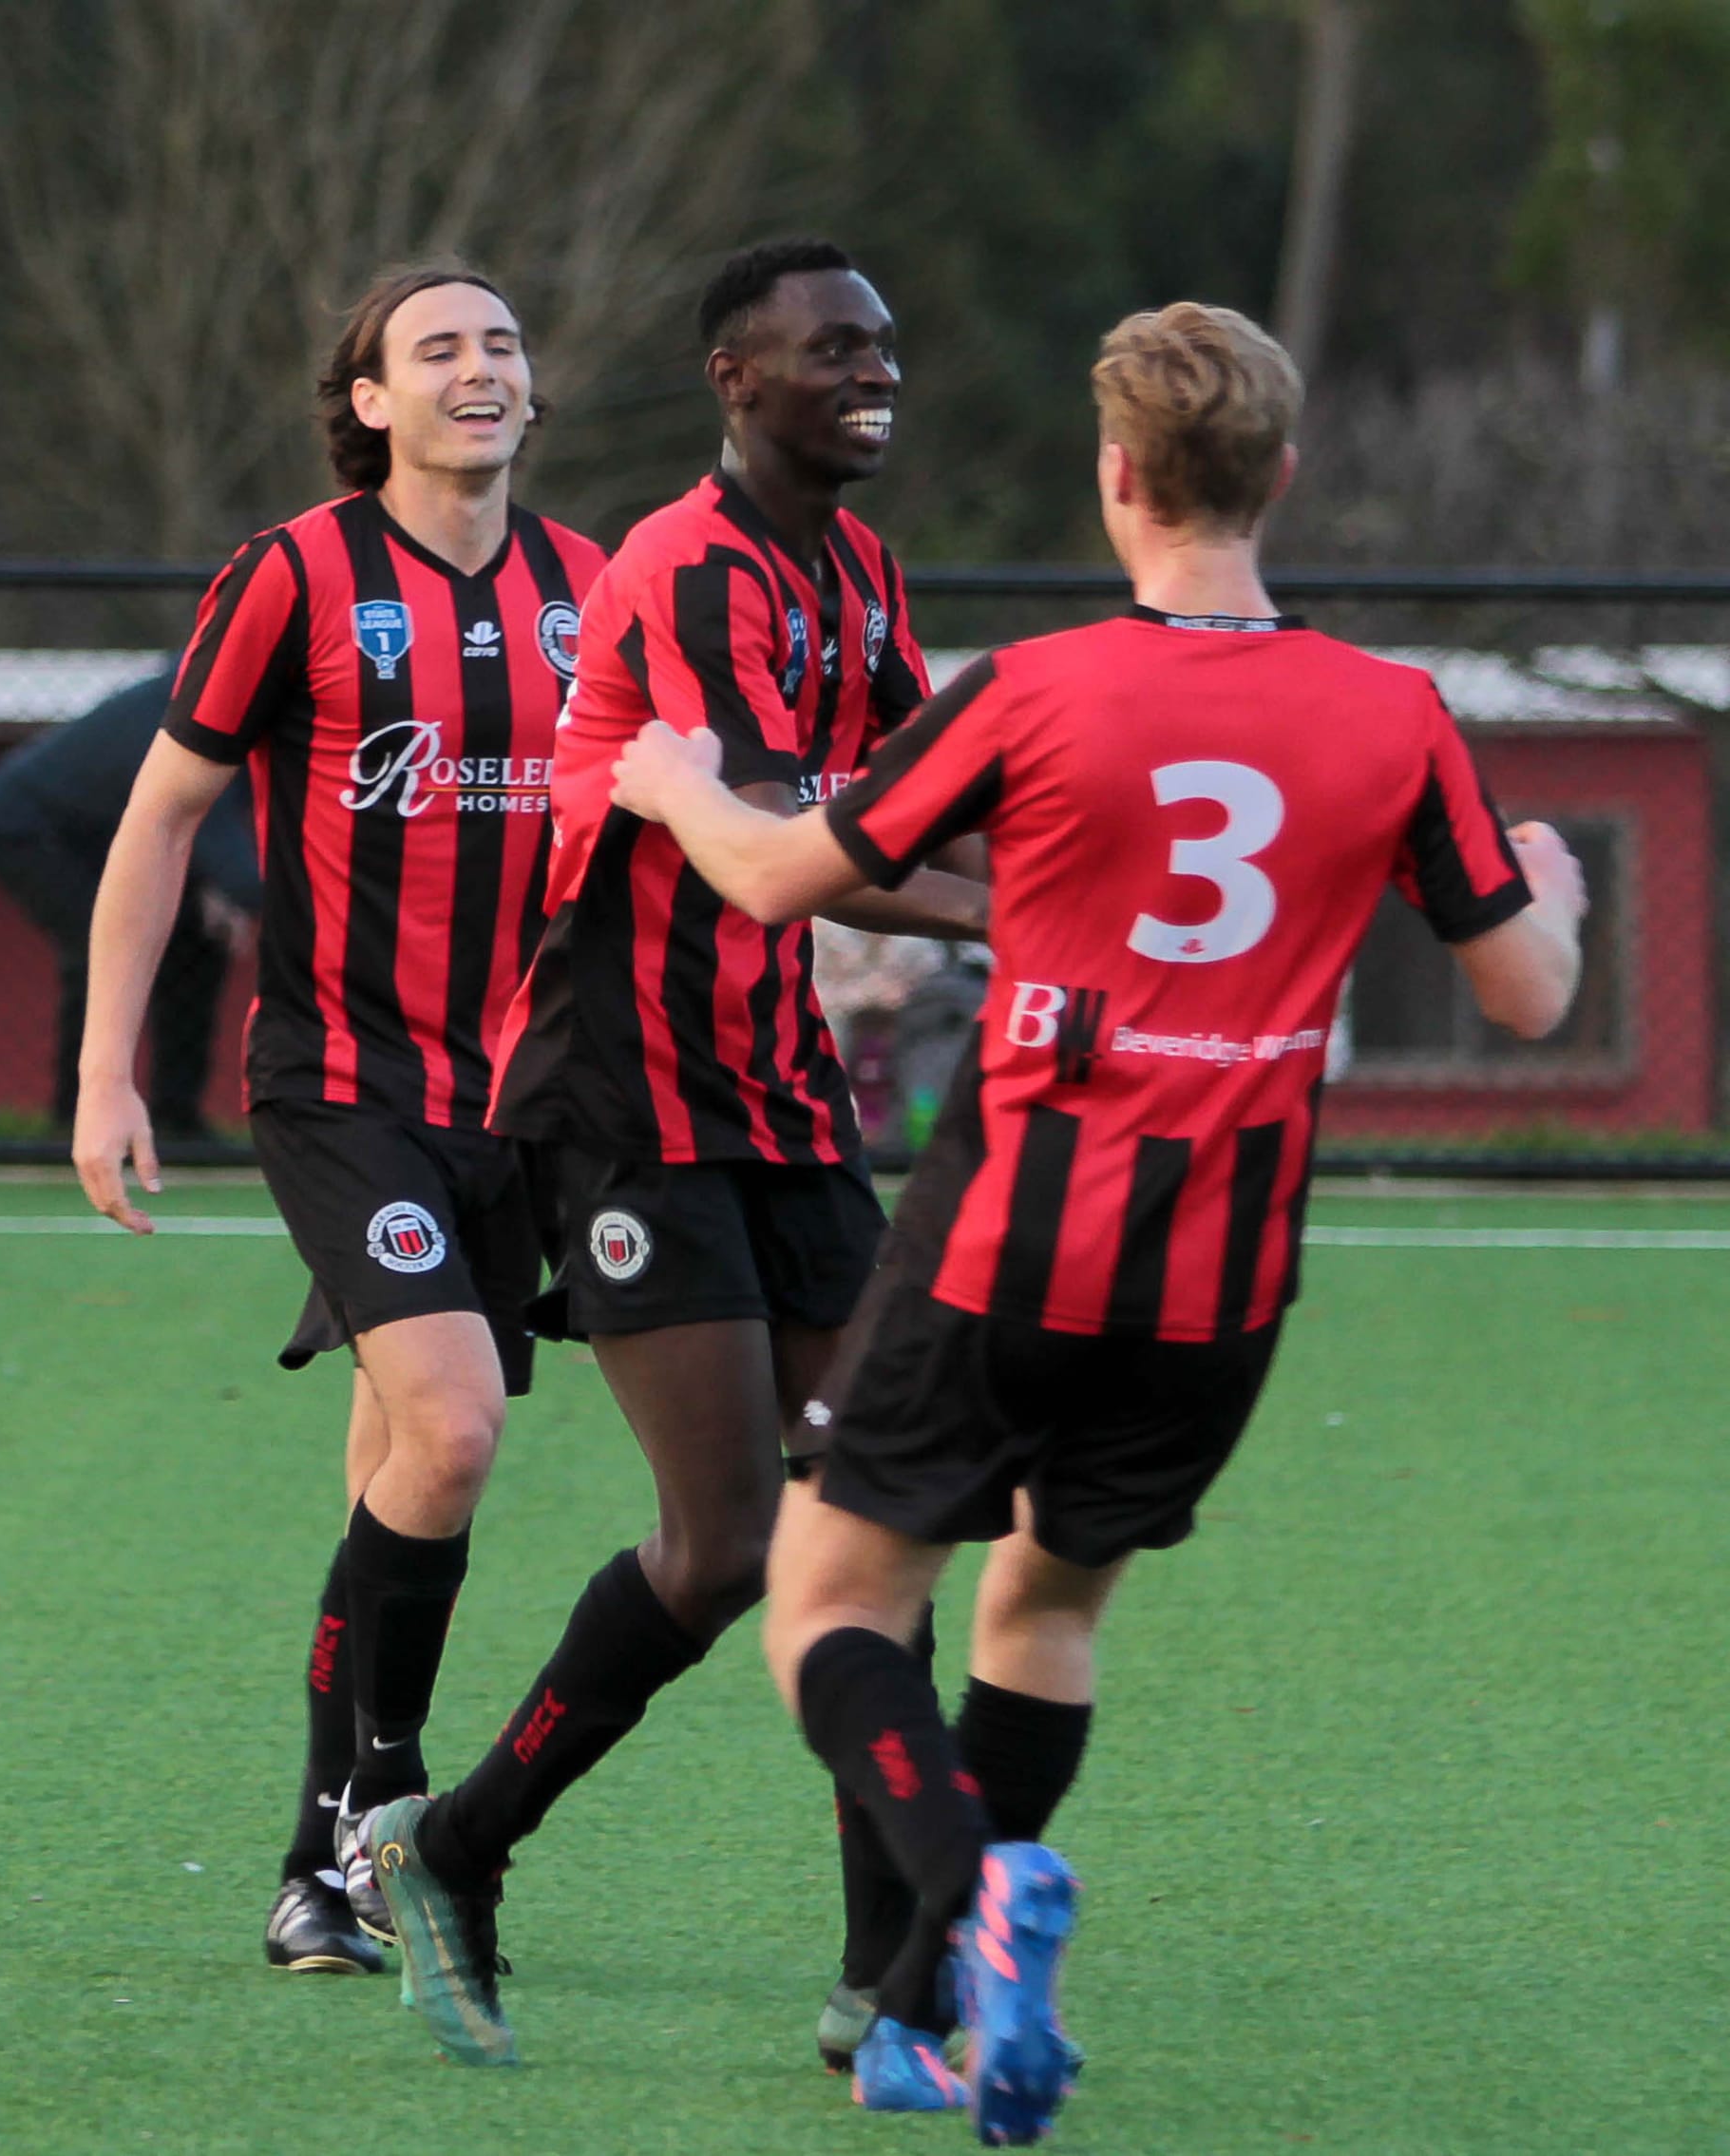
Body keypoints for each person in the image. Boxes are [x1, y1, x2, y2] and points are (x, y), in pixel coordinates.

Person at [606, 300, 1587, 2142]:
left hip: (1008, 1234)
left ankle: (967, 1899)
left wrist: (666, 774)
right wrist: (1553, 885)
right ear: (1280, 478)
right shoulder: (1394, 712)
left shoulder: (1036, 686)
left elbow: (772, 873)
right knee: (1044, 1611)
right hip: (1222, 1275)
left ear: (1115, 478)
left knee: (825, 1601)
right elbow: (1529, 994)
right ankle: (915, 2015)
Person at [363, 238, 989, 2068]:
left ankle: (894, 1973)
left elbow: (928, 770)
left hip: (781, 1088)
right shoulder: (688, 567)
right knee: (725, 1544)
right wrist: (1027, 913)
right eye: (829, 348)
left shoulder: (853, 563)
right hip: (627, 1096)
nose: (870, 371)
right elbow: (808, 840)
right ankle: (456, 1848)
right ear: (737, 377)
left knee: (879, 1513)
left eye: (882, 342)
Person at [72, 261, 606, 1977]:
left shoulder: (599, 587)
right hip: (345, 1084)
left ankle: (317, 1863)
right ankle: (391, 1784)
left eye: (502, 343)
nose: (480, 368)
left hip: (531, 1097)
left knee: (398, 1463)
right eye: (437, 347)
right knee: (452, 1431)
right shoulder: (293, 574)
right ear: (367, 399)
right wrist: (105, 1067)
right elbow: (158, 823)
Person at [0, 665, 257, 1138]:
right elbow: (215, 834)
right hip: (30, 828)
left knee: (199, 940)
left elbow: (203, 827)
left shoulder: (253, 703)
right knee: (105, 953)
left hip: (118, 837)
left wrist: (223, 888)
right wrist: (253, 893)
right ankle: (77, 1121)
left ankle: (177, 1121)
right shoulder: (200, 700)